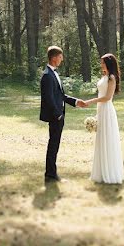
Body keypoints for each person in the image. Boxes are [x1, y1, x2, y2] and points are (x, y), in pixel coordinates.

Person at [39, 45, 86, 182]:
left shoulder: (53, 73)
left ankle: (51, 173)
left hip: (59, 115)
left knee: (55, 144)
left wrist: (76, 102)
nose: (62, 59)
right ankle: (51, 174)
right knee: (53, 144)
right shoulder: (47, 75)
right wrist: (58, 114)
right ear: (54, 58)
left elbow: (61, 95)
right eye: (60, 57)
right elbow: (48, 98)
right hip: (56, 116)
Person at [83, 53, 124, 184]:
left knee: (107, 138)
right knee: (101, 139)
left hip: (107, 110)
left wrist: (90, 101)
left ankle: (109, 172)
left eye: (103, 62)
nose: (101, 65)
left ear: (109, 63)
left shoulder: (112, 78)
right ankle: (100, 172)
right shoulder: (105, 76)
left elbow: (107, 97)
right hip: (101, 110)